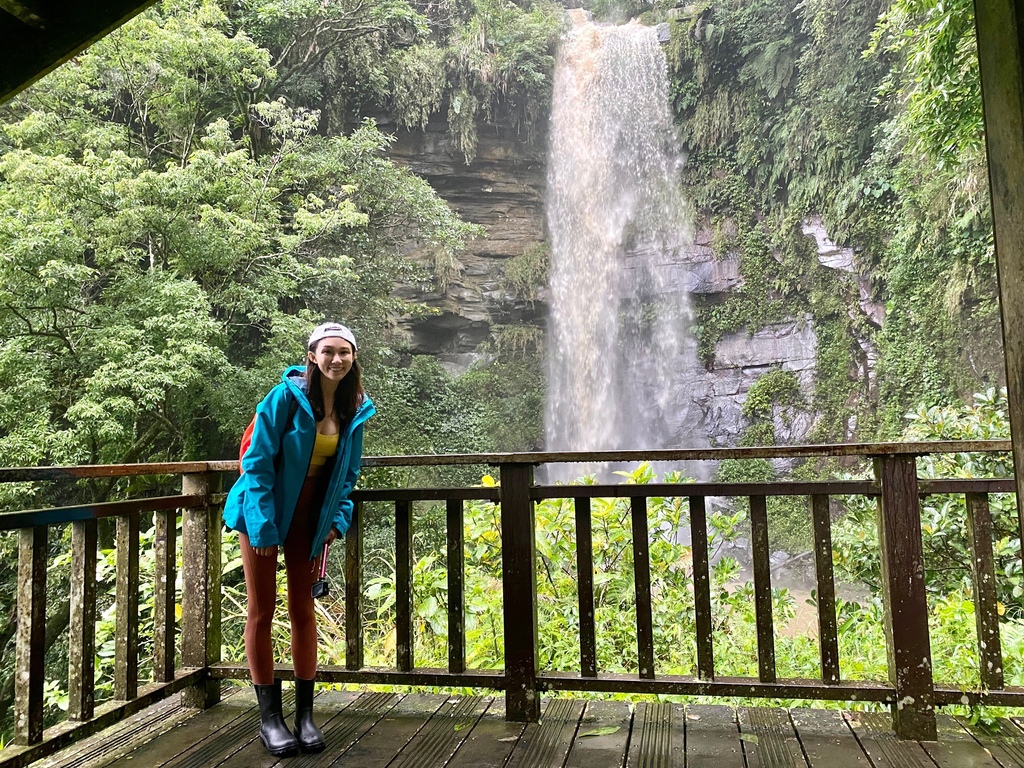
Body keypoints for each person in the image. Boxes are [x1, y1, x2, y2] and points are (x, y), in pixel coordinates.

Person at [222, 322, 375, 757]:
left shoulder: (353, 408)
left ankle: (305, 716)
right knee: (261, 610)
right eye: (328, 351)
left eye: (344, 352)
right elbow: (254, 464)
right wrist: (265, 526)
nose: (336, 360)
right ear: (312, 355)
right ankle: (270, 719)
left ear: (353, 357)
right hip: (264, 510)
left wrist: (336, 520)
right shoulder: (284, 398)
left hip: (310, 517)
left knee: (303, 610)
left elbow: (348, 475)